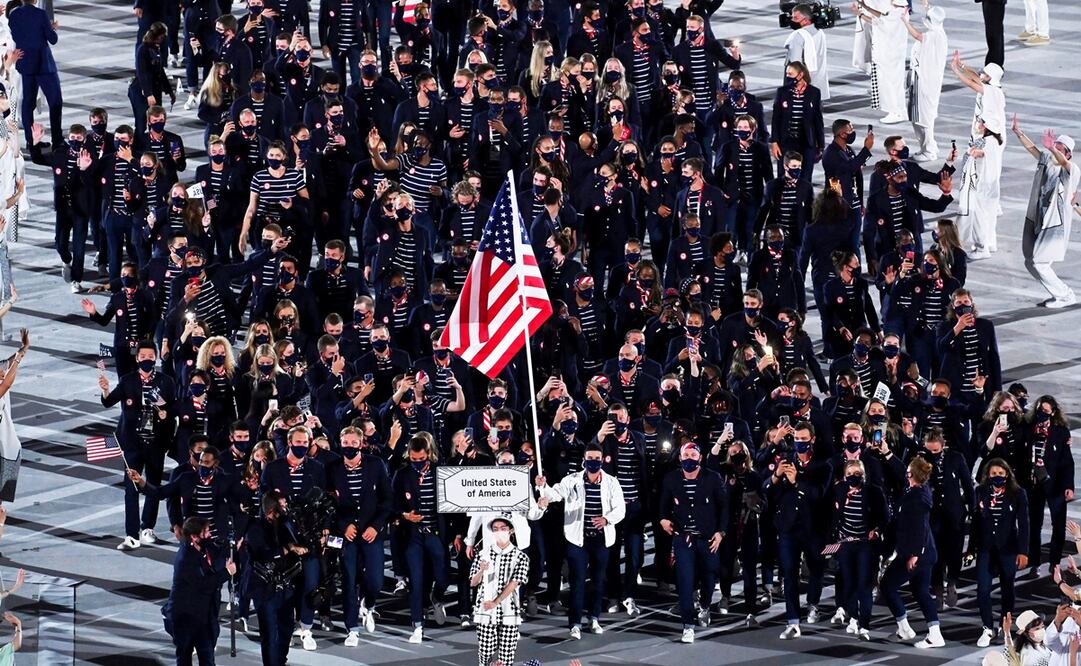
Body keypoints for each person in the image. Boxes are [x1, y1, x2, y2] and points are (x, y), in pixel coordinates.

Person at [536, 442, 626, 639]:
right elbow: (555, 494)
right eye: (590, 458)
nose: (593, 462)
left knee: (598, 581)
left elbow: (620, 509)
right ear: (584, 460)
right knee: (577, 581)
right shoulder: (571, 480)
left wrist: (607, 519)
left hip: (601, 540)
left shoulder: (612, 483)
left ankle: (594, 618)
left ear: (602, 461)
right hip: (578, 540)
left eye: (597, 459)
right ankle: (575, 623)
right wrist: (543, 486)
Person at [659, 442, 727, 643]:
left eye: (693, 455)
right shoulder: (671, 478)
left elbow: (724, 507)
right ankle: (688, 626)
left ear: (700, 458)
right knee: (685, 581)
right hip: (683, 538)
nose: (689, 459)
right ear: (680, 458)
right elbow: (662, 504)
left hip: (708, 538)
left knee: (709, 577)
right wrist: (663, 519)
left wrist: (721, 532)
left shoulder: (712, 478)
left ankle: (705, 606)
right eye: (686, 455)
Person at [1013, 117, 1080, 308]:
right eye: (1054, 145)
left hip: (1055, 225)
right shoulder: (1048, 161)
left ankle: (1065, 295)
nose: (1055, 149)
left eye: (1060, 147)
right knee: (1030, 262)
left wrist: (1052, 148)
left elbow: (1063, 163)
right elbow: (1032, 149)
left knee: (1040, 263)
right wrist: (1018, 132)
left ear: (1068, 154)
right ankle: (1058, 294)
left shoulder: (1072, 170)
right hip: (1040, 219)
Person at [880, 456, 944, 648]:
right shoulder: (921, 491)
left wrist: (915, 554)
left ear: (913, 475)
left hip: (915, 555)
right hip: (926, 553)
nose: (905, 475)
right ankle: (935, 634)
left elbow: (919, 528)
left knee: (887, 585)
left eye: (908, 473)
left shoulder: (916, 499)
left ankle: (905, 629)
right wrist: (888, 454)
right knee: (921, 591)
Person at [970, 458, 1030, 648]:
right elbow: (975, 522)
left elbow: (1024, 524)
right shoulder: (980, 492)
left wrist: (1023, 551)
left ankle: (1005, 627)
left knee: (1007, 589)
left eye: (1001, 474)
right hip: (986, 549)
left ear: (1007, 474)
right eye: (994, 474)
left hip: (1008, 549)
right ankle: (988, 627)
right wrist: (971, 548)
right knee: (982, 589)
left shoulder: (1018, 493)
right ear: (987, 475)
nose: (997, 477)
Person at [161, 517, 236, 665]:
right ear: (194, 537)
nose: (209, 535)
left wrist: (232, 544)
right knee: (184, 657)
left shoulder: (203, 547)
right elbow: (203, 584)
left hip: (202, 616)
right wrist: (227, 572)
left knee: (207, 658)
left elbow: (219, 551)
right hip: (185, 618)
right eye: (206, 532)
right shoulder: (185, 559)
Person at [470, 516, 530, 666]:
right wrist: (481, 570)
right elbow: (473, 582)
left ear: (511, 530)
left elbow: (514, 583)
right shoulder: (483, 554)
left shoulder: (521, 557)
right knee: (485, 653)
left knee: (506, 657)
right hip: (485, 611)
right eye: (495, 529)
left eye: (503, 528)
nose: (499, 532)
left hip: (508, 610)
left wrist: (496, 602)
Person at [8, 0, 63, 162]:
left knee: (28, 103)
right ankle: (57, 141)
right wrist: (51, 29)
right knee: (55, 102)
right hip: (43, 64)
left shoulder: (15, 15)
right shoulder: (40, 14)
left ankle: (31, 142)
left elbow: (19, 35)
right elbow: (52, 39)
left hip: (26, 63)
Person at [902, 5, 948, 161]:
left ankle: (929, 151)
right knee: (917, 116)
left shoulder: (935, 36)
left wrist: (905, 21)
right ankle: (927, 146)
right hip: (920, 80)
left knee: (924, 118)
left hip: (926, 84)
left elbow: (917, 35)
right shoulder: (937, 33)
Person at [855, 0, 908, 124]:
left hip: (890, 55)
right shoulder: (895, 12)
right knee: (889, 83)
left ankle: (897, 112)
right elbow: (880, 18)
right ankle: (897, 110)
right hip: (888, 54)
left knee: (892, 83)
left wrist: (863, 10)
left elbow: (880, 20)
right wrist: (863, 9)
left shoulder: (898, 14)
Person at [783, 3, 830, 100]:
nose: (792, 20)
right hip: (819, 86)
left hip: (802, 91)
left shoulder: (798, 36)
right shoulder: (819, 32)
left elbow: (795, 65)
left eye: (795, 18)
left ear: (806, 20)